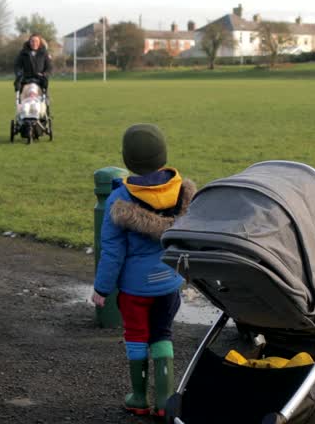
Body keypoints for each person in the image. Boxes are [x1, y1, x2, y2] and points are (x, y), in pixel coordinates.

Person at [91, 123, 195, 417]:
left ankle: (139, 397)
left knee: (137, 336)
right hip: (169, 284)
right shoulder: (183, 193)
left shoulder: (119, 200)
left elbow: (112, 253)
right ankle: (164, 402)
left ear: (128, 161)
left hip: (135, 291)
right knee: (163, 334)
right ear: (163, 155)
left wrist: (101, 289)